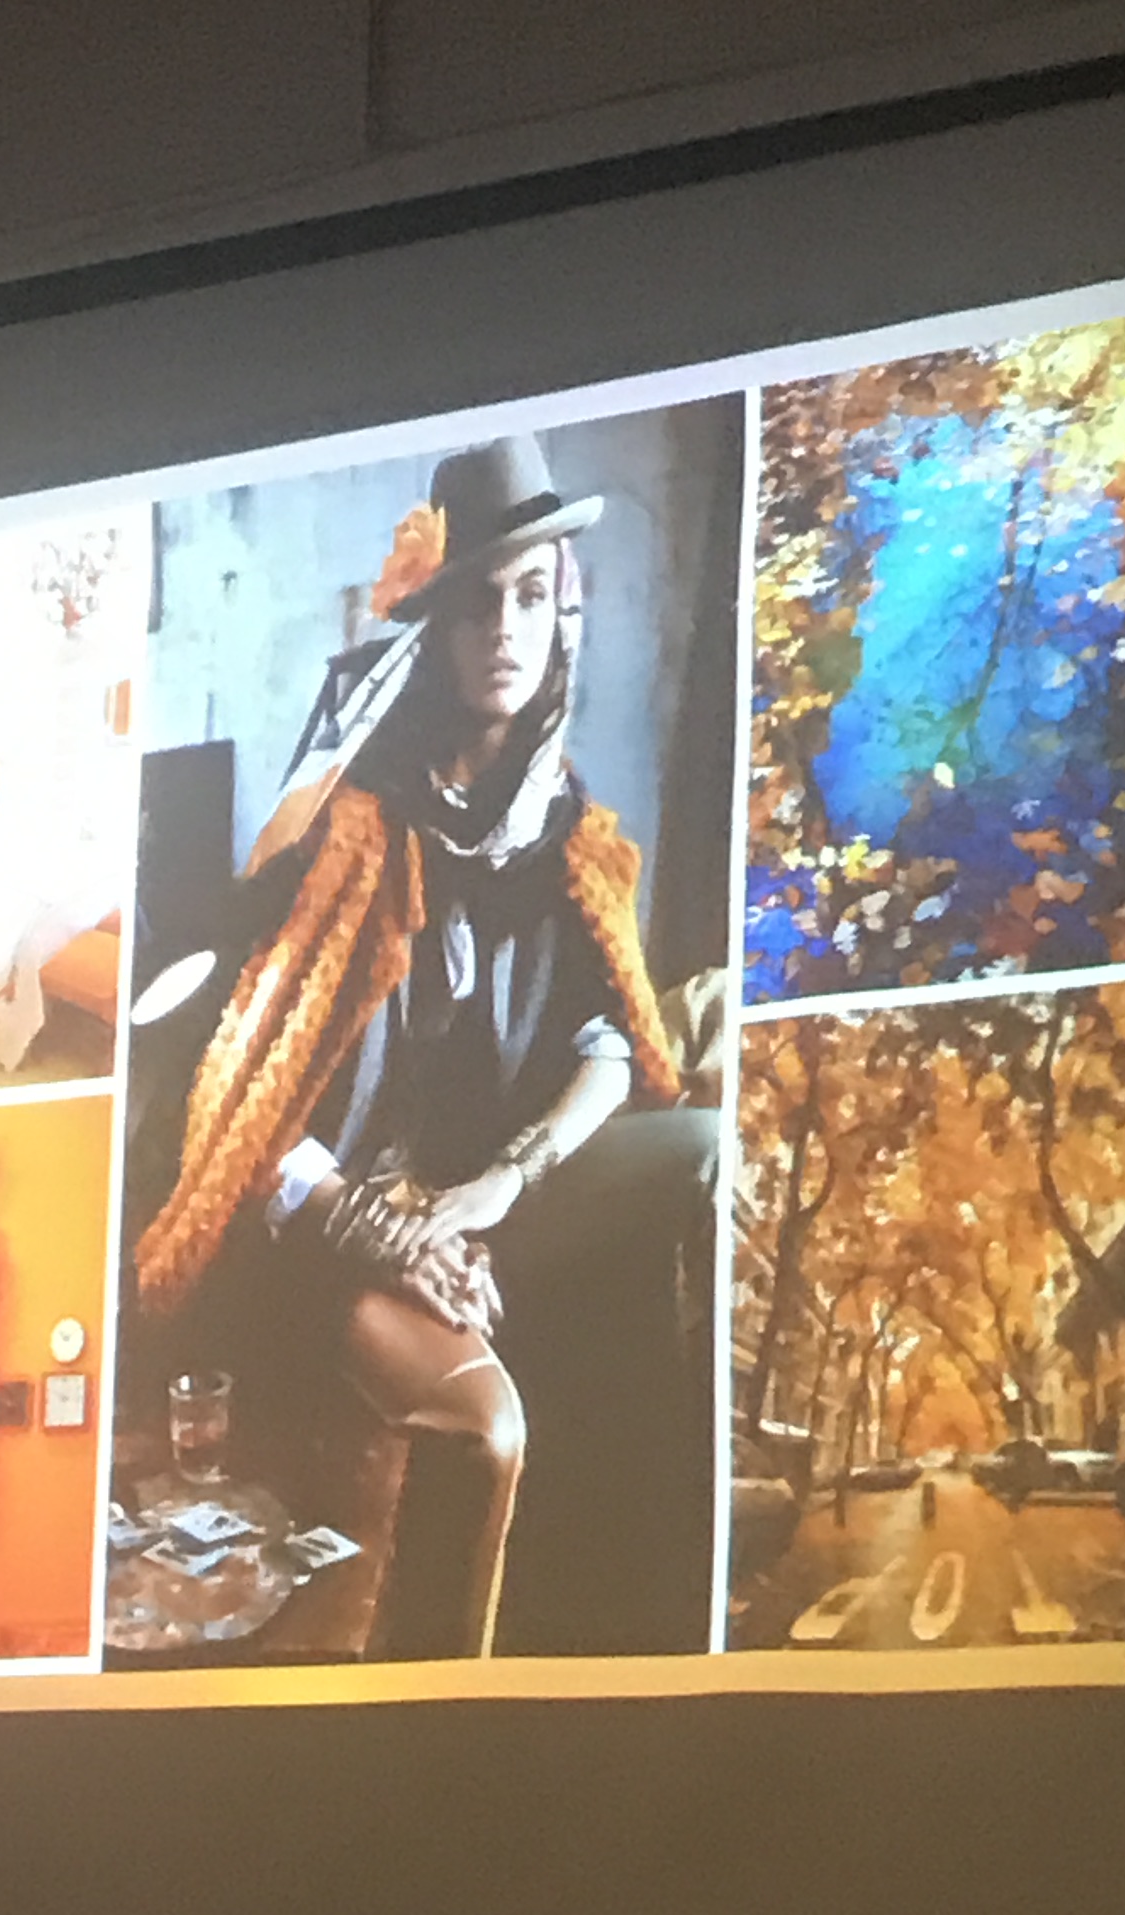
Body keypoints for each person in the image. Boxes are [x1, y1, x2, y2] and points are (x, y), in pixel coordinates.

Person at [132, 433, 689, 1656]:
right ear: (435, 627)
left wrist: (508, 1180)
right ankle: (432, 1716)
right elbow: (244, 1096)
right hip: (336, 1210)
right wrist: (392, 1237)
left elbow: (607, 1034)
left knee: (700, 1152)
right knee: (489, 1431)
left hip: (477, 1185)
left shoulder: (564, 822)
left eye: (532, 597)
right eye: (479, 601)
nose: (507, 630)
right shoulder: (347, 822)